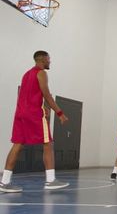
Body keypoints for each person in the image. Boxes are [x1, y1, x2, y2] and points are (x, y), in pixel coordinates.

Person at [0, 51, 69, 193]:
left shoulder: (26, 74)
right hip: (34, 114)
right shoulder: (41, 73)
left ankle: (4, 182)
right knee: (48, 143)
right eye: (49, 59)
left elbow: (29, 93)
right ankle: (50, 180)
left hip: (20, 113)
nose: (50, 61)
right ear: (43, 59)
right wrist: (60, 113)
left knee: (17, 144)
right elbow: (46, 94)